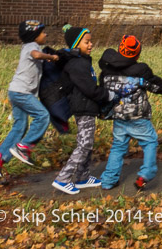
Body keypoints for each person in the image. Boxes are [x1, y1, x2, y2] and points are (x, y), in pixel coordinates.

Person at [0, 21, 59, 179]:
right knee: (43, 116)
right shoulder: (32, 46)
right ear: (34, 35)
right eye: (42, 32)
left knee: (20, 127)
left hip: (16, 91)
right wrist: (51, 56)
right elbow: (37, 55)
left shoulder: (28, 46)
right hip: (22, 93)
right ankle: (23, 147)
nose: (46, 35)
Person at [99, 34, 162, 190]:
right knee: (150, 142)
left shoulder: (106, 71)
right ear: (137, 55)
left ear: (120, 49)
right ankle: (145, 174)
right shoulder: (141, 70)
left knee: (118, 147)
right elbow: (155, 85)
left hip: (119, 116)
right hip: (138, 117)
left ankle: (108, 180)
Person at [52, 24, 116, 195]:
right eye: (86, 42)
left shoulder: (82, 61)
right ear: (76, 45)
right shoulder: (77, 64)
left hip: (87, 106)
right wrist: (106, 94)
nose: (91, 45)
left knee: (87, 143)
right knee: (84, 144)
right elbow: (89, 88)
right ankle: (63, 178)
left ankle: (82, 177)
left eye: (90, 41)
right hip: (83, 106)